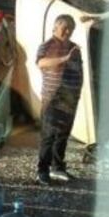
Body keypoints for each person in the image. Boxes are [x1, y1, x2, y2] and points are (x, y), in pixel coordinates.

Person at [35, 14, 83, 185]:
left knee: (63, 134)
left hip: (70, 99)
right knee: (49, 135)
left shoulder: (74, 48)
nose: (68, 32)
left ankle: (58, 167)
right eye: (65, 28)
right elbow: (41, 63)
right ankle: (42, 170)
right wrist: (64, 58)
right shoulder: (47, 45)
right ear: (55, 27)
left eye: (71, 28)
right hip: (53, 98)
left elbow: (79, 70)